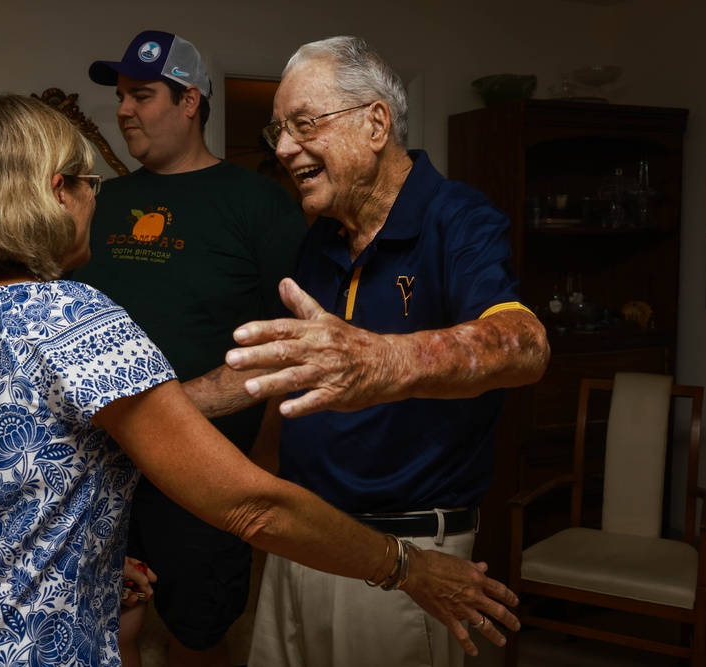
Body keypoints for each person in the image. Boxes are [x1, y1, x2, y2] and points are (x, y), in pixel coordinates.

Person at [0, 93, 523, 667]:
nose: (99, 200)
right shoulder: (72, 316)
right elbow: (251, 505)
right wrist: (405, 565)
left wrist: (83, 557)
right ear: (56, 193)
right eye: (89, 184)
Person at [222, 37, 551, 667]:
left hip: (405, 561)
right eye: (277, 130)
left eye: (304, 124)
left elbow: (525, 344)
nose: (284, 148)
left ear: (376, 123)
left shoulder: (457, 218)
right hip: (305, 541)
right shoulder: (320, 238)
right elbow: (292, 380)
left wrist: (383, 361)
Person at [73, 30, 309, 667]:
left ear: (190, 102)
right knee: (101, 629)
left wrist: (266, 459)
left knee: (198, 634)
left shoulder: (258, 204)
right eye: (120, 96)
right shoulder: (100, 203)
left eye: (141, 95)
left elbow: (297, 340)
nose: (123, 109)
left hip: (205, 469)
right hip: (100, 468)